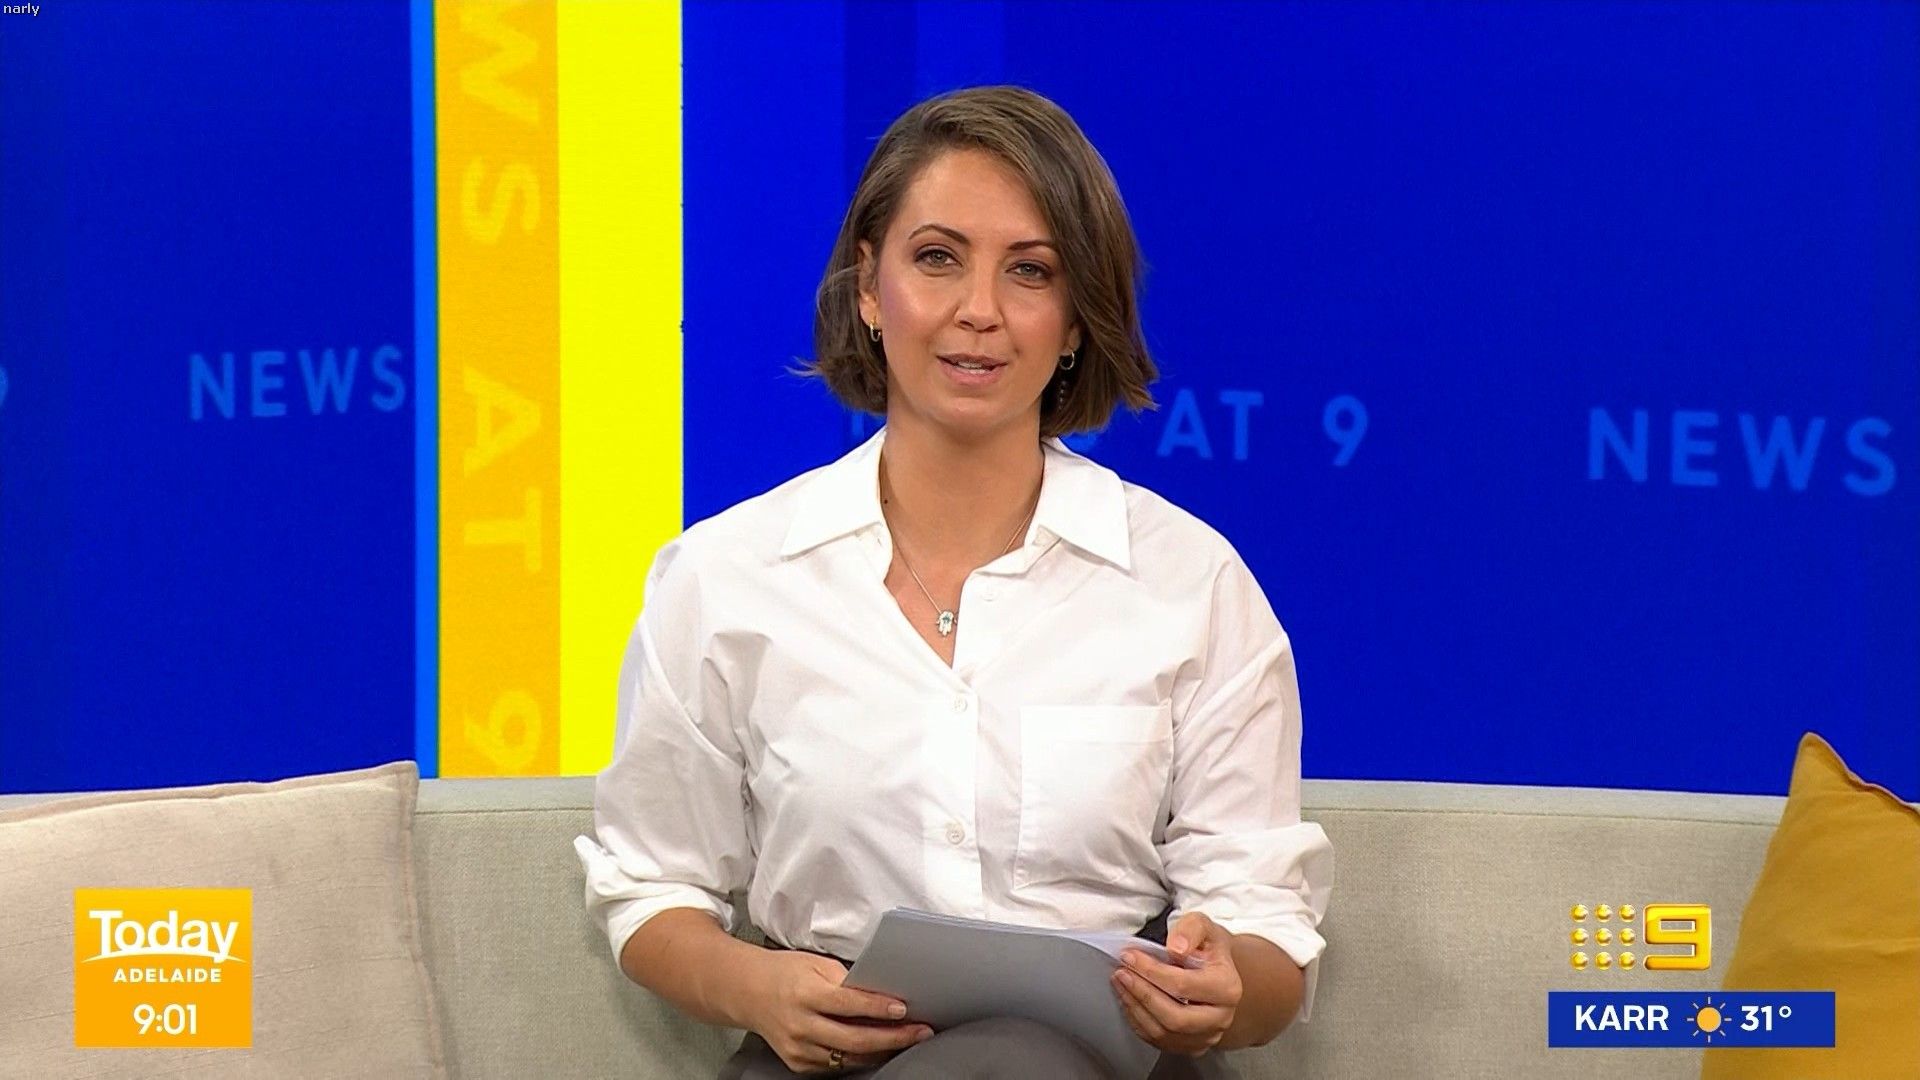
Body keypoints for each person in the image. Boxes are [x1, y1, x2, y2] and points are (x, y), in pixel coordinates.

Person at [575, 85, 1332, 1079]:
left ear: (1076, 320)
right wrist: (758, 988)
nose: (980, 310)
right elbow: (650, 887)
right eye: (937, 259)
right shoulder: (728, 577)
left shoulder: (1190, 583)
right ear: (868, 289)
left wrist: (1224, 989)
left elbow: (1264, 928)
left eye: (1030, 271)